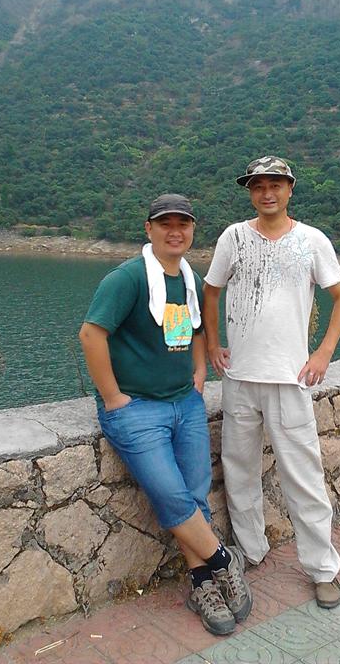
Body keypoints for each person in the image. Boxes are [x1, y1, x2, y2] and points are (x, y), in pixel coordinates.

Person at [79, 193, 252, 636]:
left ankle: (201, 583)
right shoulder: (128, 279)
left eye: (183, 224)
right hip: (136, 409)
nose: (175, 231)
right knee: (171, 494)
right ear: (149, 229)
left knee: (195, 494)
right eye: (165, 223)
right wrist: (113, 397)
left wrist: (199, 374)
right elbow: (92, 335)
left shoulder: (190, 279)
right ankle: (223, 560)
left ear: (192, 230)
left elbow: (196, 329)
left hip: (184, 403)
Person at [203, 157, 340, 609]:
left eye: (275, 185)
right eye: (258, 186)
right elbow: (211, 291)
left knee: (304, 476)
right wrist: (213, 344)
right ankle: (251, 549)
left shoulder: (312, 240)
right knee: (239, 469)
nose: (266, 193)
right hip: (239, 378)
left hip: (290, 379)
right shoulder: (233, 237)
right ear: (250, 192)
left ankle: (323, 569)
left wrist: (323, 352)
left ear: (290, 189)